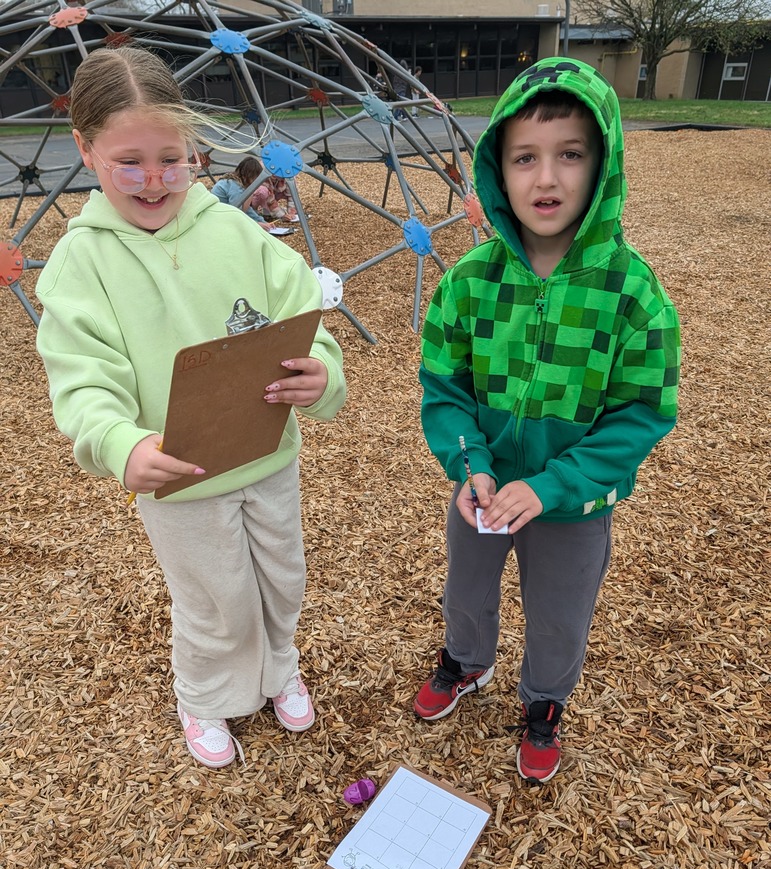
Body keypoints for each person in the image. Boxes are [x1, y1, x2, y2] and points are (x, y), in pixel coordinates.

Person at [35, 47, 347, 769]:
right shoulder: (81, 264)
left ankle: (277, 671)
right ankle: (204, 695)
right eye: (129, 162)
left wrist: (319, 372)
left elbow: (302, 315)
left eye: (171, 160)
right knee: (215, 598)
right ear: (86, 151)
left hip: (266, 451)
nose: (153, 181)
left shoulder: (234, 229)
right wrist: (120, 444)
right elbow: (82, 379)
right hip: (181, 472)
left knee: (281, 576)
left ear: (193, 149)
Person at [413, 58, 680, 783]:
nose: (546, 179)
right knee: (465, 590)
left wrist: (554, 485)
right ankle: (465, 662)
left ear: (602, 164)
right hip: (482, 485)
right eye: (524, 157)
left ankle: (543, 702)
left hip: (574, 502)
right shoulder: (470, 282)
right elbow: (443, 388)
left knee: (560, 613)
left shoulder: (631, 293)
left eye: (570, 155)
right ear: (497, 168)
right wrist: (470, 464)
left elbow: (642, 413)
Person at [211, 155, 270, 228]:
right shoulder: (235, 186)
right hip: (219, 218)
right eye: (255, 178)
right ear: (248, 176)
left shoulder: (236, 182)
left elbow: (247, 210)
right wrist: (256, 224)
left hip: (223, 214)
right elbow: (236, 212)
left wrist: (261, 221)